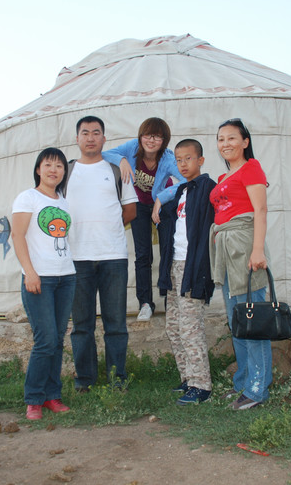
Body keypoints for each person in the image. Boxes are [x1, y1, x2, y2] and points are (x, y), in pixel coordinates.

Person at [67, 116, 138, 391]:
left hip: (113, 256)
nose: (91, 138)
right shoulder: (67, 172)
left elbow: (130, 210)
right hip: (76, 258)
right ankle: (84, 379)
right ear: (77, 139)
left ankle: (117, 379)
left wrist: (106, 226)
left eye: (96, 133)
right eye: (85, 133)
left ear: (104, 139)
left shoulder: (116, 169)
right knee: (82, 325)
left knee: (116, 323)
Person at [209, 118, 271, 410]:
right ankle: (244, 384)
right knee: (238, 322)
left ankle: (258, 390)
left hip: (245, 248)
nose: (226, 144)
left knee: (252, 320)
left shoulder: (251, 168)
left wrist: (257, 250)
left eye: (232, 138)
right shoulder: (223, 179)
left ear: (245, 142)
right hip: (226, 251)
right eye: (221, 139)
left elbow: (260, 210)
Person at [12, 147, 76, 421]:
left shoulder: (64, 201)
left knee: (58, 340)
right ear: (38, 169)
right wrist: (30, 272)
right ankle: (34, 399)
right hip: (40, 277)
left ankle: (53, 396)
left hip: (66, 277)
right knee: (45, 339)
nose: (54, 170)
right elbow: (17, 235)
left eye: (59, 166)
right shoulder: (28, 198)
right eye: (48, 165)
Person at [102, 117, 186, 321]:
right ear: (141, 136)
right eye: (148, 135)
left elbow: (185, 181)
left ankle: (170, 302)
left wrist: (162, 197)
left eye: (158, 137)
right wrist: (121, 160)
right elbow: (105, 153)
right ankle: (146, 303)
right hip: (138, 203)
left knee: (168, 251)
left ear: (164, 140)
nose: (151, 140)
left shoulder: (167, 157)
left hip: (162, 205)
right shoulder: (132, 147)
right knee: (143, 255)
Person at [157, 139, 216, 405]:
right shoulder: (180, 191)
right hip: (175, 265)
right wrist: (160, 201)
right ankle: (188, 378)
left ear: (200, 160)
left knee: (190, 327)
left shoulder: (207, 188)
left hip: (193, 266)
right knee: (173, 327)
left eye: (188, 158)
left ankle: (201, 385)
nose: (183, 164)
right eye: (179, 160)